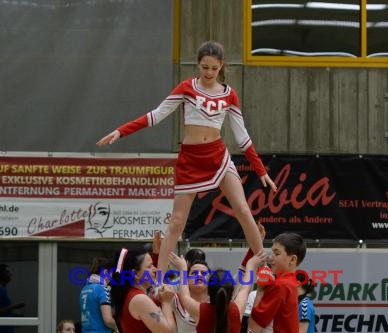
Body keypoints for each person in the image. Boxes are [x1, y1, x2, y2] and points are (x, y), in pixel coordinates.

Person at [96, 40, 276, 277]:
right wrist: (121, 131)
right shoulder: (186, 87)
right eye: (204, 67)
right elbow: (155, 116)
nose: (209, 72)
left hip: (218, 156)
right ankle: (159, 280)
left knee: (243, 210)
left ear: (221, 66)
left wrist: (261, 171)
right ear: (198, 65)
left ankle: (264, 269)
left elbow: (243, 137)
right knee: (177, 221)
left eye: (214, 68)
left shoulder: (229, 94)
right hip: (191, 160)